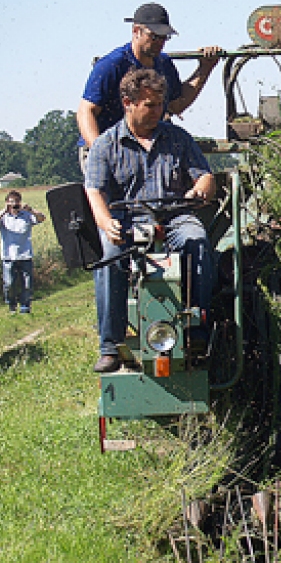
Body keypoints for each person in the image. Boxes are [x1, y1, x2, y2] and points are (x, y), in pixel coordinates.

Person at [84, 68, 215, 373]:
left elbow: (205, 175)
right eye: (151, 105)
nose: (160, 111)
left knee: (197, 240)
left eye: (161, 104)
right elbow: (94, 191)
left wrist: (200, 189)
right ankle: (110, 345)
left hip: (174, 220)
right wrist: (106, 223)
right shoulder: (105, 144)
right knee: (109, 256)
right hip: (128, 223)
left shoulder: (178, 138)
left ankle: (196, 328)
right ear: (128, 102)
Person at [76, 2, 223, 167]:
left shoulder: (164, 64)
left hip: (146, 147)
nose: (160, 42)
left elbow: (176, 105)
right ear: (136, 31)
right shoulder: (112, 64)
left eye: (164, 37)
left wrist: (205, 69)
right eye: (154, 36)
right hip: (108, 146)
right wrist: (102, 153)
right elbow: (85, 112)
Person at [0, 190, 46, 313]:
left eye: (17, 202)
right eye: (11, 202)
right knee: (9, 283)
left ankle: (25, 306)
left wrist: (31, 210)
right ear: (7, 203)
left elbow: (42, 218)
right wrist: (4, 210)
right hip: (8, 256)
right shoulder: (3, 217)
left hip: (25, 255)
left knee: (27, 284)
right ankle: (11, 304)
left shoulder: (26, 215)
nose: (15, 205)